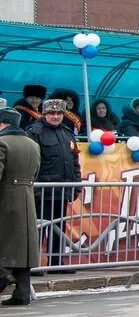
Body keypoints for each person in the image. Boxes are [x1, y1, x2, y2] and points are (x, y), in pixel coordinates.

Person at [27, 98, 80, 268]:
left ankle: (56, 263)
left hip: (62, 190)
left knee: (59, 229)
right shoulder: (35, 132)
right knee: (39, 229)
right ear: (45, 114)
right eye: (52, 113)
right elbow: (31, 163)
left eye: (59, 113)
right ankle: (34, 265)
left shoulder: (67, 132)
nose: (56, 116)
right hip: (41, 191)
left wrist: (76, 185)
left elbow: (74, 161)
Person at [0, 108, 42, 306]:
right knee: (23, 247)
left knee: (5, 242)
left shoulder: (2, 143)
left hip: (5, 199)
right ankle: (22, 292)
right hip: (26, 197)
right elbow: (35, 173)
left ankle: (4, 275)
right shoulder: (33, 144)